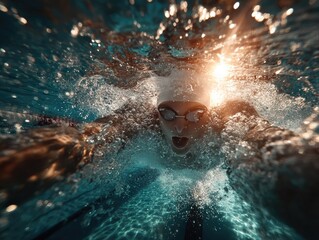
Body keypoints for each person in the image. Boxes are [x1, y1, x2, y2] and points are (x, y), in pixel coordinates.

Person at [0, 69, 318, 239]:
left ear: (210, 111)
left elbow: (266, 143)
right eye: (168, 112)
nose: (180, 125)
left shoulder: (230, 115)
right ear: (156, 111)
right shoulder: (141, 116)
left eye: (196, 114)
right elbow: (88, 140)